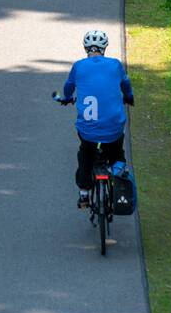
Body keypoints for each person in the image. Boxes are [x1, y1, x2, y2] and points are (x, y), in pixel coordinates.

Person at [54, 29, 134, 207]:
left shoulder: (78, 66)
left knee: (86, 153)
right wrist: (129, 97)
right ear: (105, 47)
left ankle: (84, 193)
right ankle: (118, 171)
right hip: (113, 129)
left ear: (85, 48)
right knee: (116, 152)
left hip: (88, 132)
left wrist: (67, 98)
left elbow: (69, 87)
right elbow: (126, 84)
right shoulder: (115, 65)